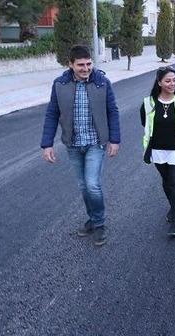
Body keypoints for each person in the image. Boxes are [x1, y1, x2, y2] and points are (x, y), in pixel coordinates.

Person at [41, 45, 120, 247]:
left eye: (88, 64)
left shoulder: (102, 83)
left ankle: (99, 223)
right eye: (81, 65)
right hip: (73, 144)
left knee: (92, 184)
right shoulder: (60, 84)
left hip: (96, 142)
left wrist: (115, 140)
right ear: (71, 64)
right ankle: (93, 220)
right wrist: (47, 144)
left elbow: (112, 111)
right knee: (83, 186)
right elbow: (52, 113)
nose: (86, 68)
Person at [140, 66, 175, 237]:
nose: (172, 83)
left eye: (174, 80)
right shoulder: (149, 102)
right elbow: (145, 123)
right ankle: (173, 207)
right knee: (166, 181)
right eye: (168, 81)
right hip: (158, 149)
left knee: (174, 182)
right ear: (159, 83)